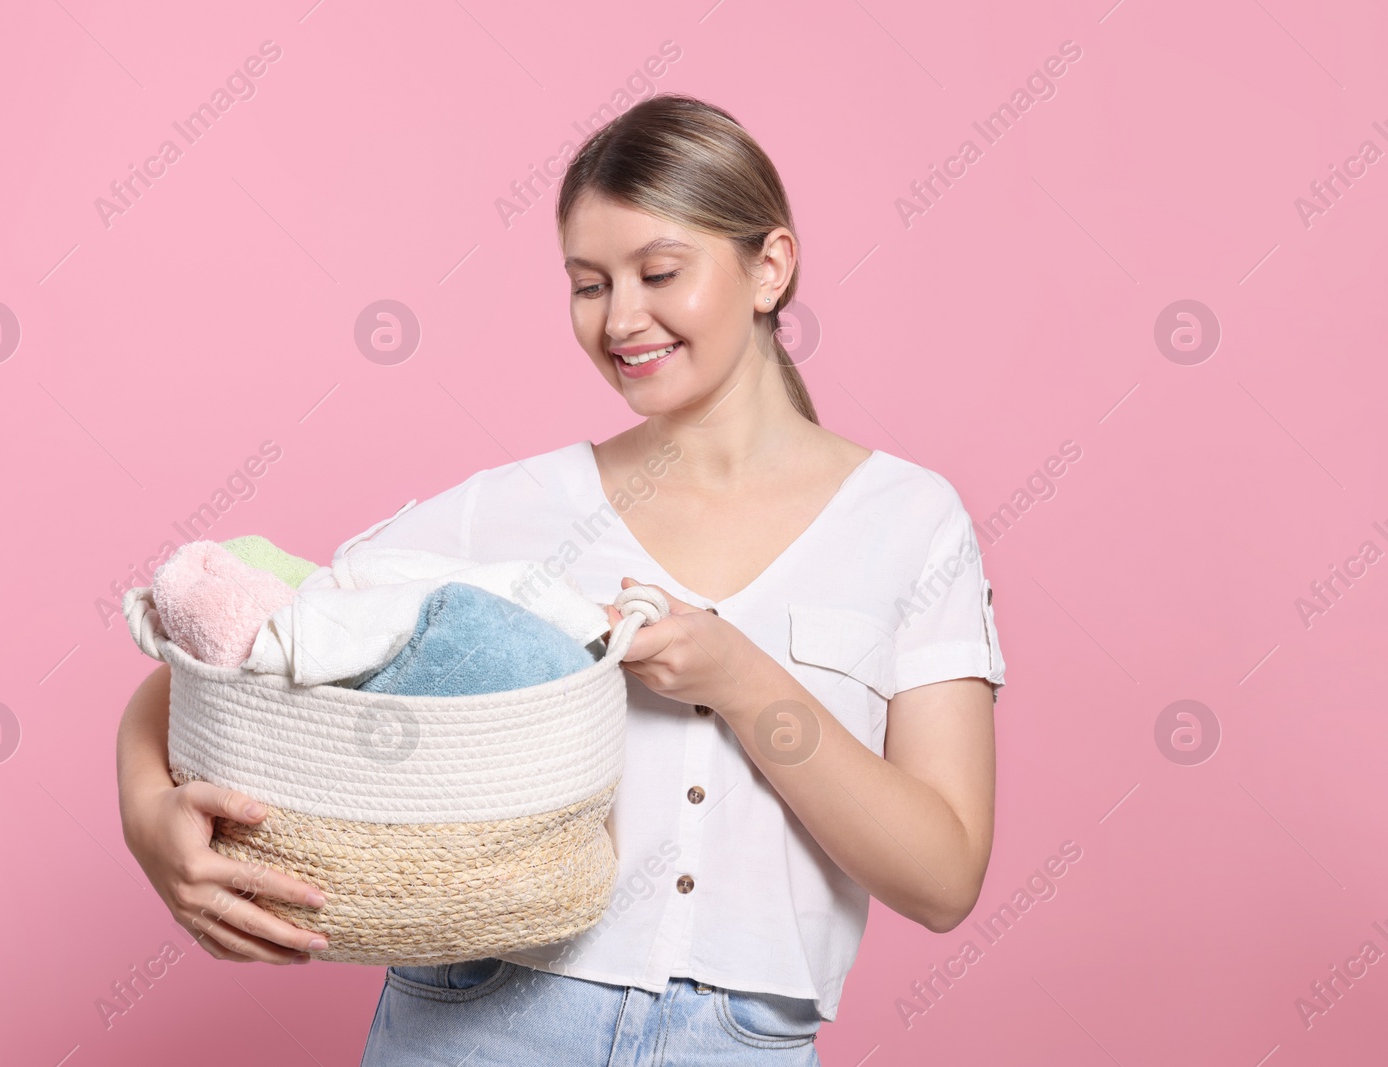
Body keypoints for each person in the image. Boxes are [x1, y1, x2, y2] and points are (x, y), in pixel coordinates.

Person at [117, 93, 1005, 1065]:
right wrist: (148, 817)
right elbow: (243, 644)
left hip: (740, 1043)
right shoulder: (509, 510)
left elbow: (942, 875)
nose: (622, 318)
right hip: (476, 1023)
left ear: (770, 267)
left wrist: (741, 679)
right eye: (589, 284)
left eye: (659, 271)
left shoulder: (911, 524)